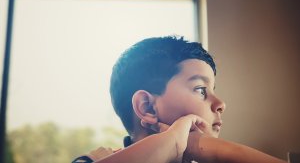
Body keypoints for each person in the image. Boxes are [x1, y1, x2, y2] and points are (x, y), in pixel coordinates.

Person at [72, 36, 286, 163]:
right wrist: (175, 141)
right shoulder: (97, 158)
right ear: (147, 107)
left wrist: (214, 149)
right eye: (201, 90)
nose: (221, 103)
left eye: (213, 89)